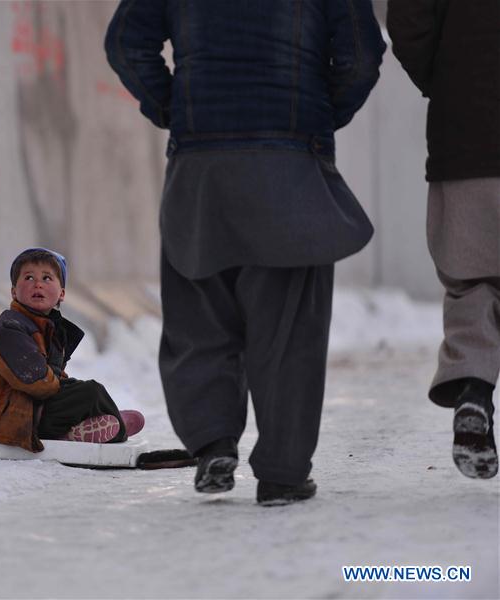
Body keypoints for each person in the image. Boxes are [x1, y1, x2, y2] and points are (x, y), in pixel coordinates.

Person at [105, 1, 385, 505]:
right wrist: (317, 116)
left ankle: (213, 443)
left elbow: (126, 45)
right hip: (290, 166)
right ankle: (282, 472)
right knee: (289, 330)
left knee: (198, 318)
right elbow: (361, 58)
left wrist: (175, 110)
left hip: (201, 168)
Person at [388, 0, 499, 479]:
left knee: (471, 279)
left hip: (466, 134)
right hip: (465, 130)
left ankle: (473, 392)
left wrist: (447, 78)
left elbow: (409, 22)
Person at [0, 248, 144, 451]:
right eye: (29, 277)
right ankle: (115, 427)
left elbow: (53, 377)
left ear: (62, 294)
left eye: (47, 278)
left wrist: (69, 390)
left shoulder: (48, 328)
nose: (38, 283)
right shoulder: (10, 327)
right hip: (1, 417)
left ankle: (83, 428)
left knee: (83, 392)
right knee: (91, 392)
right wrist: (72, 394)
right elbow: (37, 380)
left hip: (27, 409)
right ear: (14, 291)